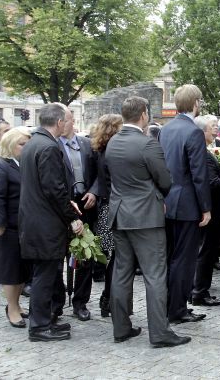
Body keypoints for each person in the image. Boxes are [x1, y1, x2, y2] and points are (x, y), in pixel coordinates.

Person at [105, 96, 190, 347]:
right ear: (143, 114)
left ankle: (121, 327)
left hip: (120, 213)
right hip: (145, 217)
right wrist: (157, 196)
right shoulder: (147, 144)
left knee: (121, 272)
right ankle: (160, 333)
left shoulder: (112, 142)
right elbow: (165, 180)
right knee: (155, 275)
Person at [19, 103, 83, 342]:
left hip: (35, 220)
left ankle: (45, 320)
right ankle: (39, 327)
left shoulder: (34, 143)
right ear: (59, 122)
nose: (69, 124)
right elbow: (54, 190)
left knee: (44, 275)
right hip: (44, 223)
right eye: (68, 120)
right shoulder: (47, 146)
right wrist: (72, 217)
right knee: (44, 277)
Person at [159, 84, 212, 324]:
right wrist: (206, 208)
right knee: (184, 260)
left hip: (168, 201)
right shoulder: (193, 132)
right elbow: (199, 174)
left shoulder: (166, 129)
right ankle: (177, 309)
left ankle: (169, 305)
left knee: (171, 257)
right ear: (195, 103)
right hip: (187, 204)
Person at [59, 105, 103, 322]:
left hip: (85, 205)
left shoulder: (86, 144)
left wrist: (94, 191)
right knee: (59, 255)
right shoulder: (52, 145)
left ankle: (81, 302)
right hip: (61, 207)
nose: (64, 123)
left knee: (85, 256)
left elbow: (100, 173)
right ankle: (58, 300)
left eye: (67, 119)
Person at [0, 127, 31, 327]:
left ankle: (16, 304)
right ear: (10, 145)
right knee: (10, 271)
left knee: (21, 270)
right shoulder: (1, 166)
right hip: (8, 226)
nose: (26, 147)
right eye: (22, 144)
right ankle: (12, 308)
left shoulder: (22, 164)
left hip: (23, 225)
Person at [189, 115, 220, 307]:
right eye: (212, 126)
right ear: (201, 131)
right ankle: (199, 292)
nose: (216, 129)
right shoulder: (202, 153)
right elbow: (212, 183)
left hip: (206, 209)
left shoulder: (204, 150)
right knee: (205, 252)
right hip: (208, 210)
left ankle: (196, 290)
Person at [90, 113, 123, 318]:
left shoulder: (100, 150)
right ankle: (108, 299)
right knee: (117, 257)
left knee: (114, 257)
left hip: (106, 207)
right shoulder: (112, 152)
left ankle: (108, 299)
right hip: (113, 208)